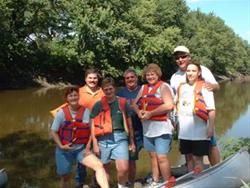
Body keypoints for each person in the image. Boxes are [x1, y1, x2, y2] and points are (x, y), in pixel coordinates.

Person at [50, 68, 104, 187]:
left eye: (95, 78)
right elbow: (60, 111)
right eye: (90, 78)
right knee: (79, 166)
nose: (92, 80)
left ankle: (96, 183)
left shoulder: (103, 92)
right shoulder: (78, 92)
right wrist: (65, 127)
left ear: (98, 79)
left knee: (97, 160)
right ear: (85, 79)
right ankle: (80, 183)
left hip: (97, 131)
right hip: (80, 133)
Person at [170, 46, 220, 166]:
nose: (180, 59)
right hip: (185, 123)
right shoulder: (174, 77)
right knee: (188, 153)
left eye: (183, 56)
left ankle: (217, 170)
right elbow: (174, 100)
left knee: (211, 145)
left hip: (202, 119)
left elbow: (216, 86)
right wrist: (174, 121)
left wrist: (211, 87)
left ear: (189, 57)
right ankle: (193, 175)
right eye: (177, 58)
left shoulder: (202, 69)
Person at [133, 63, 174, 186]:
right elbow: (134, 104)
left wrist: (151, 113)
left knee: (161, 157)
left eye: (153, 74)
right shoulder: (143, 88)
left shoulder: (164, 87)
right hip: (148, 130)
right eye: (148, 75)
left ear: (158, 75)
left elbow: (169, 105)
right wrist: (139, 112)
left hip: (162, 128)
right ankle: (155, 181)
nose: (150, 77)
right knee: (153, 157)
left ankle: (168, 182)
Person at [91, 77, 136, 188]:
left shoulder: (122, 102)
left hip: (120, 138)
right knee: (103, 168)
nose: (108, 91)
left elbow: (129, 124)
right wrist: (95, 144)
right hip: (103, 139)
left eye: (110, 89)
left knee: (123, 169)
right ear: (103, 90)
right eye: (106, 89)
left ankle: (121, 185)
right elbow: (92, 125)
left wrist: (132, 141)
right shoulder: (98, 105)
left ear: (114, 89)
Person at [175, 62, 216, 172]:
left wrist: (211, 128)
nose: (190, 73)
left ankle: (199, 181)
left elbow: (211, 110)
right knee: (188, 158)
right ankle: (191, 180)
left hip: (199, 130)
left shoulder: (205, 87)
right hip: (184, 131)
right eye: (188, 71)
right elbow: (176, 106)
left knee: (197, 159)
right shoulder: (181, 87)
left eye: (193, 71)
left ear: (199, 73)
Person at [117, 68, 143, 186]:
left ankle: (132, 183)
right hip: (126, 131)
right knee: (127, 159)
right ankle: (127, 183)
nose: (130, 80)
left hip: (142, 129)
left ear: (136, 78)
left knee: (151, 154)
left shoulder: (143, 90)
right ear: (124, 80)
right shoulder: (120, 93)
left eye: (132, 77)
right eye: (127, 78)